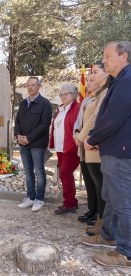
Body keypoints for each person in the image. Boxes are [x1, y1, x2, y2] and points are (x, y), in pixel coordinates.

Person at [81, 41, 131, 267]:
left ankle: (126, 252)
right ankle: (109, 235)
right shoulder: (119, 81)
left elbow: (113, 118)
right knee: (111, 196)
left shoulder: (127, 81)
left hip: (120, 152)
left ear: (124, 56)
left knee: (122, 201)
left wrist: (93, 138)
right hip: (112, 149)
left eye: (108, 56)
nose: (104, 60)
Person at [75, 62, 109, 233]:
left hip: (95, 145)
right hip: (88, 144)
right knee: (94, 183)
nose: (91, 78)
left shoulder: (105, 93)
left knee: (101, 186)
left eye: (95, 72)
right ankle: (98, 218)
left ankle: (102, 223)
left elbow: (96, 118)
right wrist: (78, 133)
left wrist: (81, 137)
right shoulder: (93, 97)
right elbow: (82, 119)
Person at [14, 77, 52, 212]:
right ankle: (30, 197)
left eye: (33, 85)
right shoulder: (23, 103)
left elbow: (44, 125)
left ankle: (39, 199)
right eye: (28, 85)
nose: (30, 87)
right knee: (28, 172)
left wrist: (29, 138)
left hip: (37, 144)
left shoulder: (45, 104)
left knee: (39, 172)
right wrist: (18, 136)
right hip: (23, 144)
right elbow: (17, 121)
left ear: (39, 86)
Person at [49, 84, 80, 215]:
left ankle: (69, 204)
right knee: (66, 175)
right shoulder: (60, 109)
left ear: (73, 95)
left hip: (71, 146)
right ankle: (72, 201)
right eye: (61, 94)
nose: (63, 96)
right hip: (61, 147)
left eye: (66, 94)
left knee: (64, 173)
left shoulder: (77, 108)